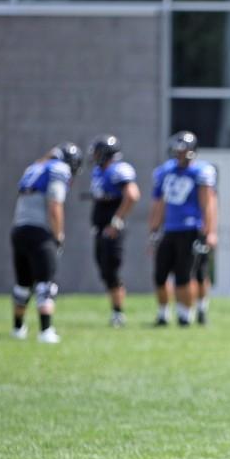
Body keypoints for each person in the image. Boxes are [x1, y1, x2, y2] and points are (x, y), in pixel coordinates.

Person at [10, 142, 82, 343]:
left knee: (23, 284)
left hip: (19, 228)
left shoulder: (34, 167)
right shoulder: (59, 169)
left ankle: (17, 328)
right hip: (39, 231)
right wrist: (59, 235)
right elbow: (54, 204)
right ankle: (46, 331)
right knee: (45, 283)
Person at [149, 131, 217, 327]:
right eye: (178, 151)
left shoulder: (201, 172)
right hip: (170, 229)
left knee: (186, 274)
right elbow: (158, 203)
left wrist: (209, 231)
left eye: (184, 151)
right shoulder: (165, 171)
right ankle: (163, 314)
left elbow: (208, 204)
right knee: (160, 274)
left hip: (190, 229)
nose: (180, 155)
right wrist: (153, 229)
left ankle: (187, 314)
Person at [88, 135, 140, 327]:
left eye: (97, 152)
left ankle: (118, 313)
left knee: (111, 270)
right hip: (100, 228)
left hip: (112, 230)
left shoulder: (118, 170)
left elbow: (132, 195)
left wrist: (116, 221)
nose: (94, 156)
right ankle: (116, 311)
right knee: (104, 270)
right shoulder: (98, 171)